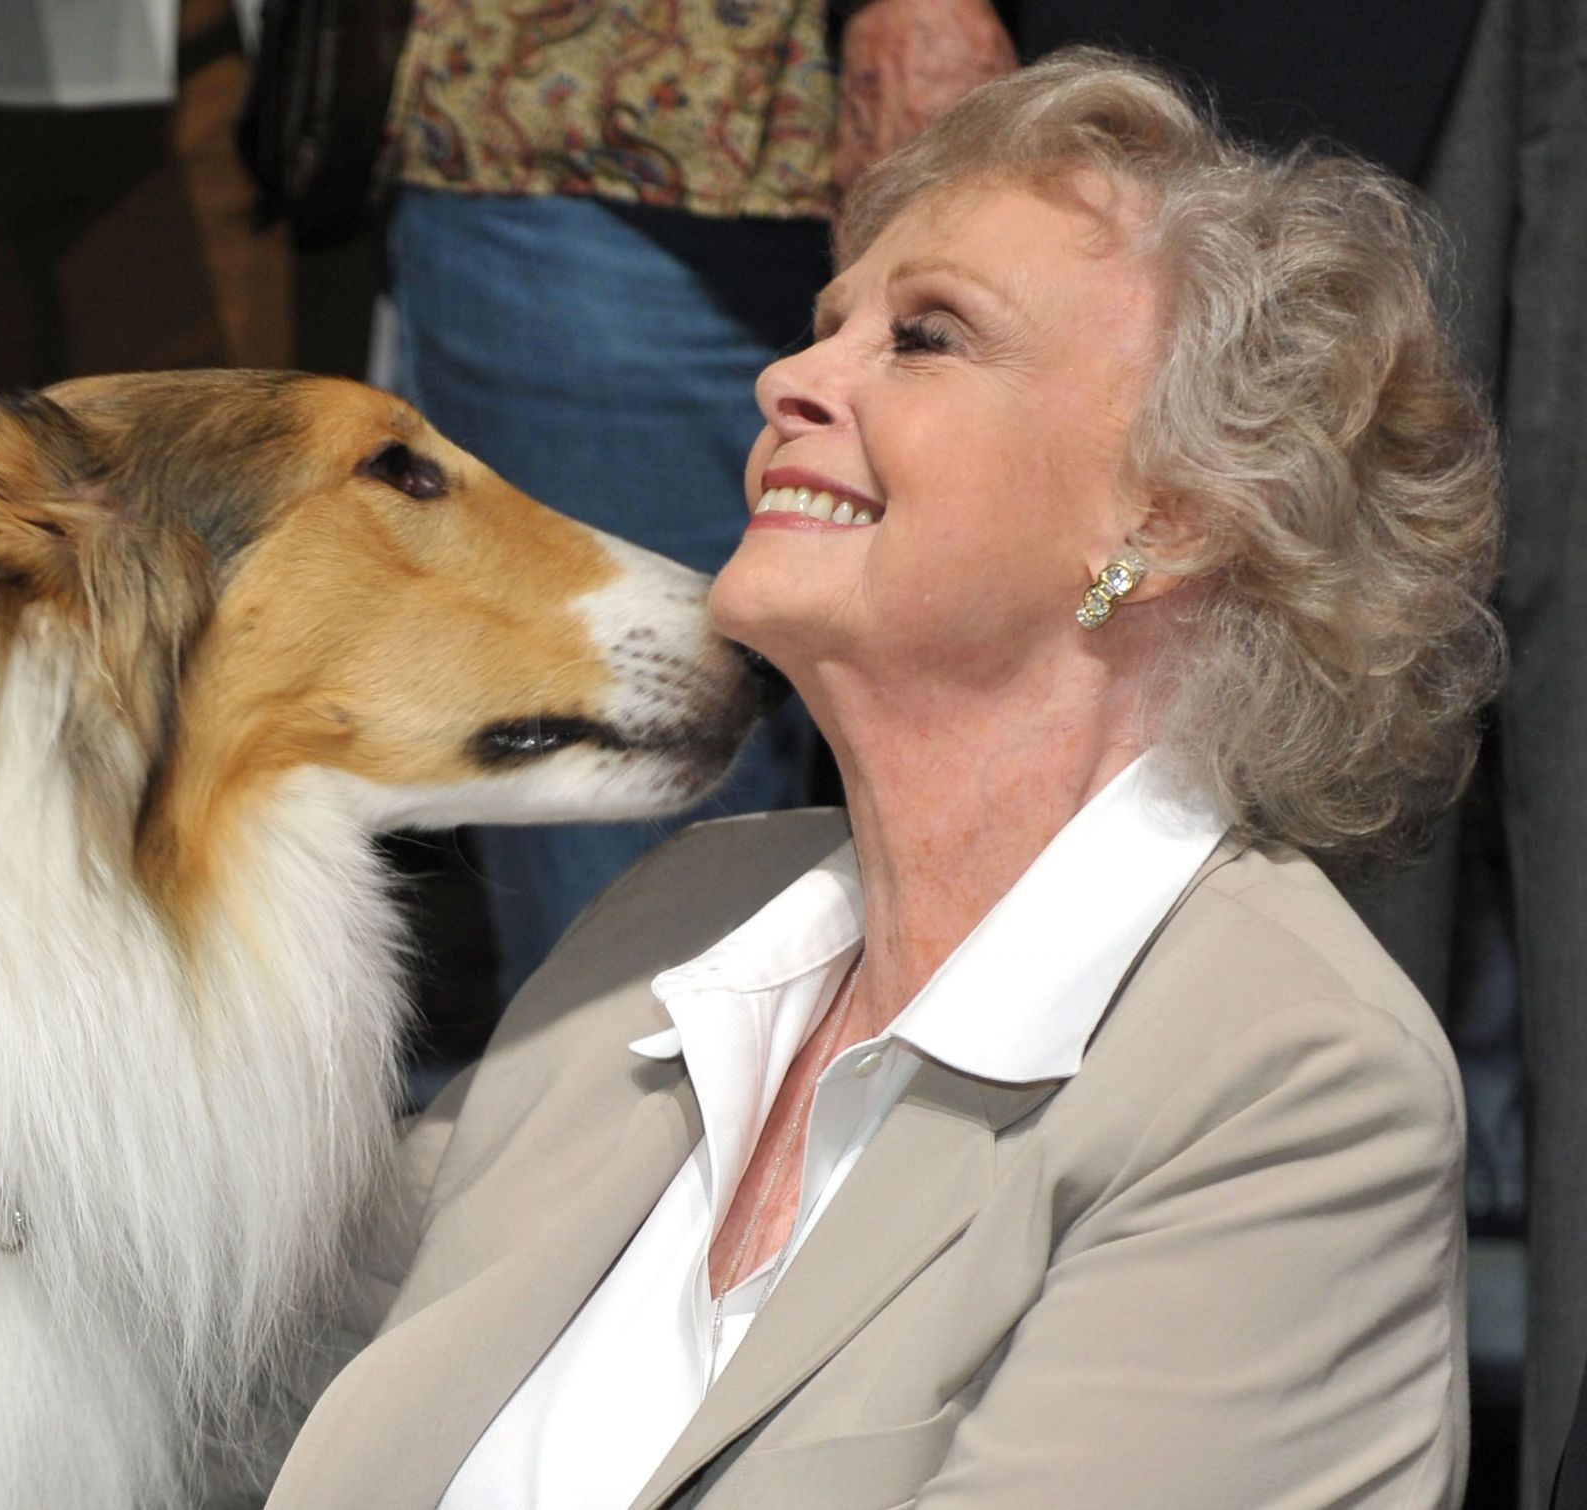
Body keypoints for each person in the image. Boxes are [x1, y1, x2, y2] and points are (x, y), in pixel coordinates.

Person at [268, 49, 1501, 1507]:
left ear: (1169, 515)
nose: (786, 377)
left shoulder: (1284, 1084)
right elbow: (238, 1360)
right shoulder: (686, 927)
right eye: (822, 325)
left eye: (924, 337)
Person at [385, 0, 1016, 1000]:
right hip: (623, 128)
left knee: (1030, 799)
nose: (792, 388)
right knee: (623, 918)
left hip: (1097, 143)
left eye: (906, 342)